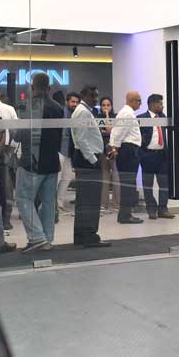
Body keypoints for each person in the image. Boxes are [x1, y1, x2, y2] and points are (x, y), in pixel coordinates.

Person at [14, 73, 64, 252]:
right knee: (48, 202)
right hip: (52, 161)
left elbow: (21, 135)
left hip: (32, 162)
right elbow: (60, 136)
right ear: (48, 88)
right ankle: (47, 238)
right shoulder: (58, 107)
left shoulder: (27, 106)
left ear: (32, 87)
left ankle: (37, 237)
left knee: (23, 198)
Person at [70, 85, 111, 248]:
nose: (96, 99)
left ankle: (83, 235)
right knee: (90, 199)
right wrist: (93, 160)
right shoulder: (83, 112)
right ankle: (88, 235)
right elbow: (81, 139)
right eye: (93, 96)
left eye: (96, 96)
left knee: (86, 199)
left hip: (86, 157)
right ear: (84, 96)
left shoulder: (84, 111)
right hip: (87, 159)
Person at [109, 91, 144, 224]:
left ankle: (126, 214)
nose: (140, 103)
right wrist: (114, 148)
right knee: (128, 184)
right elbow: (118, 133)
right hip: (128, 150)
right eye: (138, 100)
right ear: (131, 100)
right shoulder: (127, 113)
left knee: (128, 183)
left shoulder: (126, 112)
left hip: (128, 150)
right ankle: (125, 215)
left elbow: (116, 132)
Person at [138, 93, 174, 220]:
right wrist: (141, 154)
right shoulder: (141, 118)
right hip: (147, 155)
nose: (162, 106)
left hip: (162, 156)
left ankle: (163, 209)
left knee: (164, 184)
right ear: (153, 104)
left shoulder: (163, 117)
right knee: (148, 185)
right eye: (160, 103)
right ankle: (151, 209)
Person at [0, 95, 17, 254]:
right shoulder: (7, 109)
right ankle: (1, 232)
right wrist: (4, 149)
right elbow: (10, 130)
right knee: (1, 192)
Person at [56, 91, 81, 214]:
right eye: (72, 102)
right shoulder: (62, 113)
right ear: (67, 102)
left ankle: (59, 203)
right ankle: (53, 205)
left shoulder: (77, 114)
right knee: (58, 177)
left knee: (67, 177)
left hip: (70, 151)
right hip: (60, 150)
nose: (74, 104)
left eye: (77, 102)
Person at [97, 96, 120, 212]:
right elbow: (99, 133)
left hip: (113, 149)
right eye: (103, 105)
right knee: (104, 177)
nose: (106, 107)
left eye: (108, 105)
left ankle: (116, 204)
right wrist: (106, 132)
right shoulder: (98, 118)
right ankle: (103, 203)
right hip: (102, 149)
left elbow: (109, 130)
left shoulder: (116, 117)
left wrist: (107, 116)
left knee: (116, 177)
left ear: (111, 106)